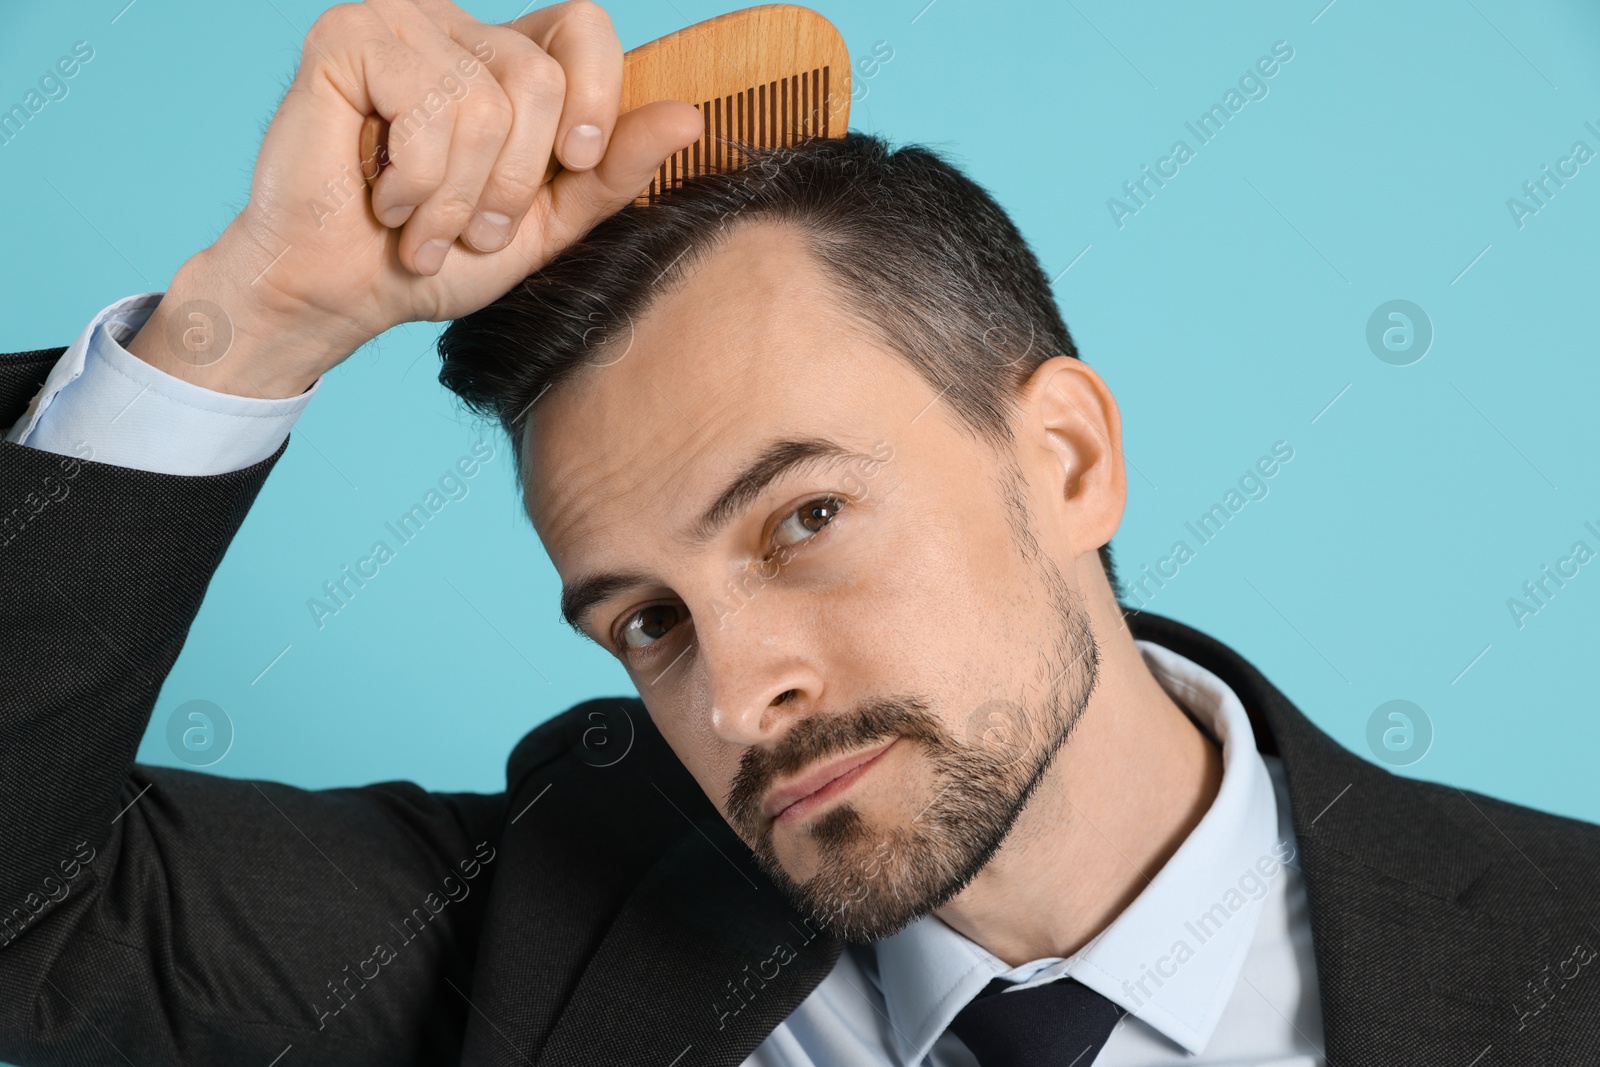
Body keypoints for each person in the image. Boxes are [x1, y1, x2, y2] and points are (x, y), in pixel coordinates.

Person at [2, 1, 1597, 1065]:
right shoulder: (535, 924)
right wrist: (249, 321)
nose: (734, 694)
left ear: (1066, 456)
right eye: (648, 621)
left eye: (804, 518)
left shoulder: (1557, 949)